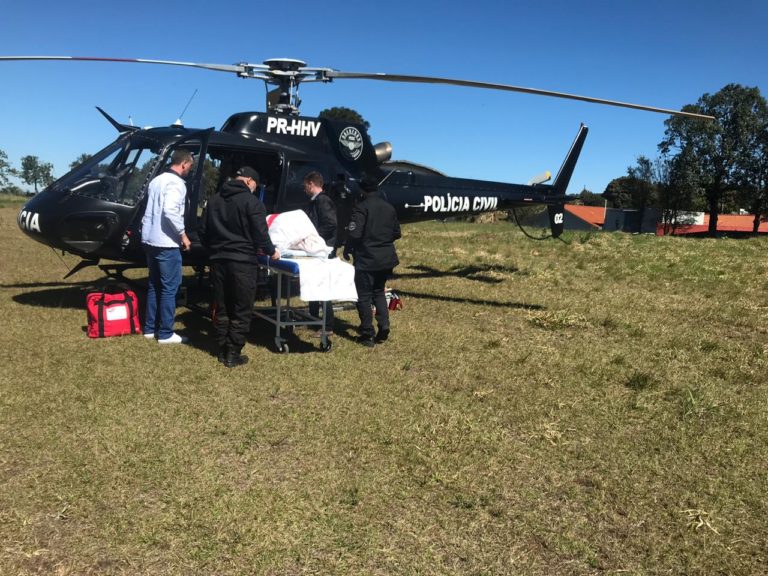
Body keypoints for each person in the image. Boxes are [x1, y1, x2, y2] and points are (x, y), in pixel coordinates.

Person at [200, 166, 280, 367]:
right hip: (243, 262)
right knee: (241, 308)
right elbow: (261, 234)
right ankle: (233, 352)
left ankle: (222, 348)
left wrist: (215, 249)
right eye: (255, 185)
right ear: (250, 181)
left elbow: (202, 231)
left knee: (222, 306)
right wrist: (271, 251)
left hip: (218, 260)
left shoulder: (214, 200)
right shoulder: (252, 202)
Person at [141, 149, 194, 344]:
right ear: (184, 164)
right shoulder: (177, 183)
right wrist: (183, 235)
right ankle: (165, 333)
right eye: (190, 166)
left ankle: (150, 327)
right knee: (170, 288)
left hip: (150, 239)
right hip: (166, 242)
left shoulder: (156, 180)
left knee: (154, 284)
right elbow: (170, 210)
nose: (190, 170)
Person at [343, 175, 401, 347]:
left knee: (363, 296)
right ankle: (384, 326)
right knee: (378, 292)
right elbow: (397, 233)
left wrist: (348, 248)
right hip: (386, 258)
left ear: (362, 190)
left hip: (367, 258)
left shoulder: (361, 208)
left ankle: (367, 334)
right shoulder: (389, 207)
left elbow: (355, 234)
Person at [303, 171, 338, 335]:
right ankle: (313, 318)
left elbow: (330, 224)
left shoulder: (323, 201)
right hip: (316, 250)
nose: (304, 189)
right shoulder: (315, 201)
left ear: (311, 184)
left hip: (323, 250)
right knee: (312, 284)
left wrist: (314, 237)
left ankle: (327, 325)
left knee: (322, 286)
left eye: (305, 185)